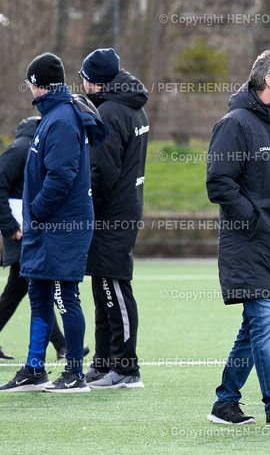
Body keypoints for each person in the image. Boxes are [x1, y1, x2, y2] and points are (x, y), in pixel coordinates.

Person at [206, 50, 270, 427]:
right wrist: (252, 219)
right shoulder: (235, 124)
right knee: (267, 322)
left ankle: (225, 403)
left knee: (254, 328)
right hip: (249, 245)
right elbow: (219, 182)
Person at [0, 52, 107, 393]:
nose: (29, 89)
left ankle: (75, 372)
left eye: (31, 83)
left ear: (38, 85)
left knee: (65, 296)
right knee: (39, 294)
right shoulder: (53, 115)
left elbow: (62, 176)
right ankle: (35, 368)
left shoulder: (60, 119)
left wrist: (38, 211)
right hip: (47, 226)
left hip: (62, 226)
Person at [78, 48, 148, 389]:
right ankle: (104, 363)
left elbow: (103, 171)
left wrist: (89, 205)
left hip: (111, 213)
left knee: (114, 286)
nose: (84, 85)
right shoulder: (131, 106)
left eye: (86, 79)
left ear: (97, 81)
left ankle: (126, 368)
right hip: (124, 208)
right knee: (102, 285)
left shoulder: (109, 112)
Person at [0, 116, 72, 361]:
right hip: (19, 230)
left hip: (25, 228)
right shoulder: (22, 148)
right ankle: (63, 346)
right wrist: (9, 226)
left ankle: (62, 346)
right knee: (35, 285)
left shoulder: (32, 146)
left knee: (22, 287)